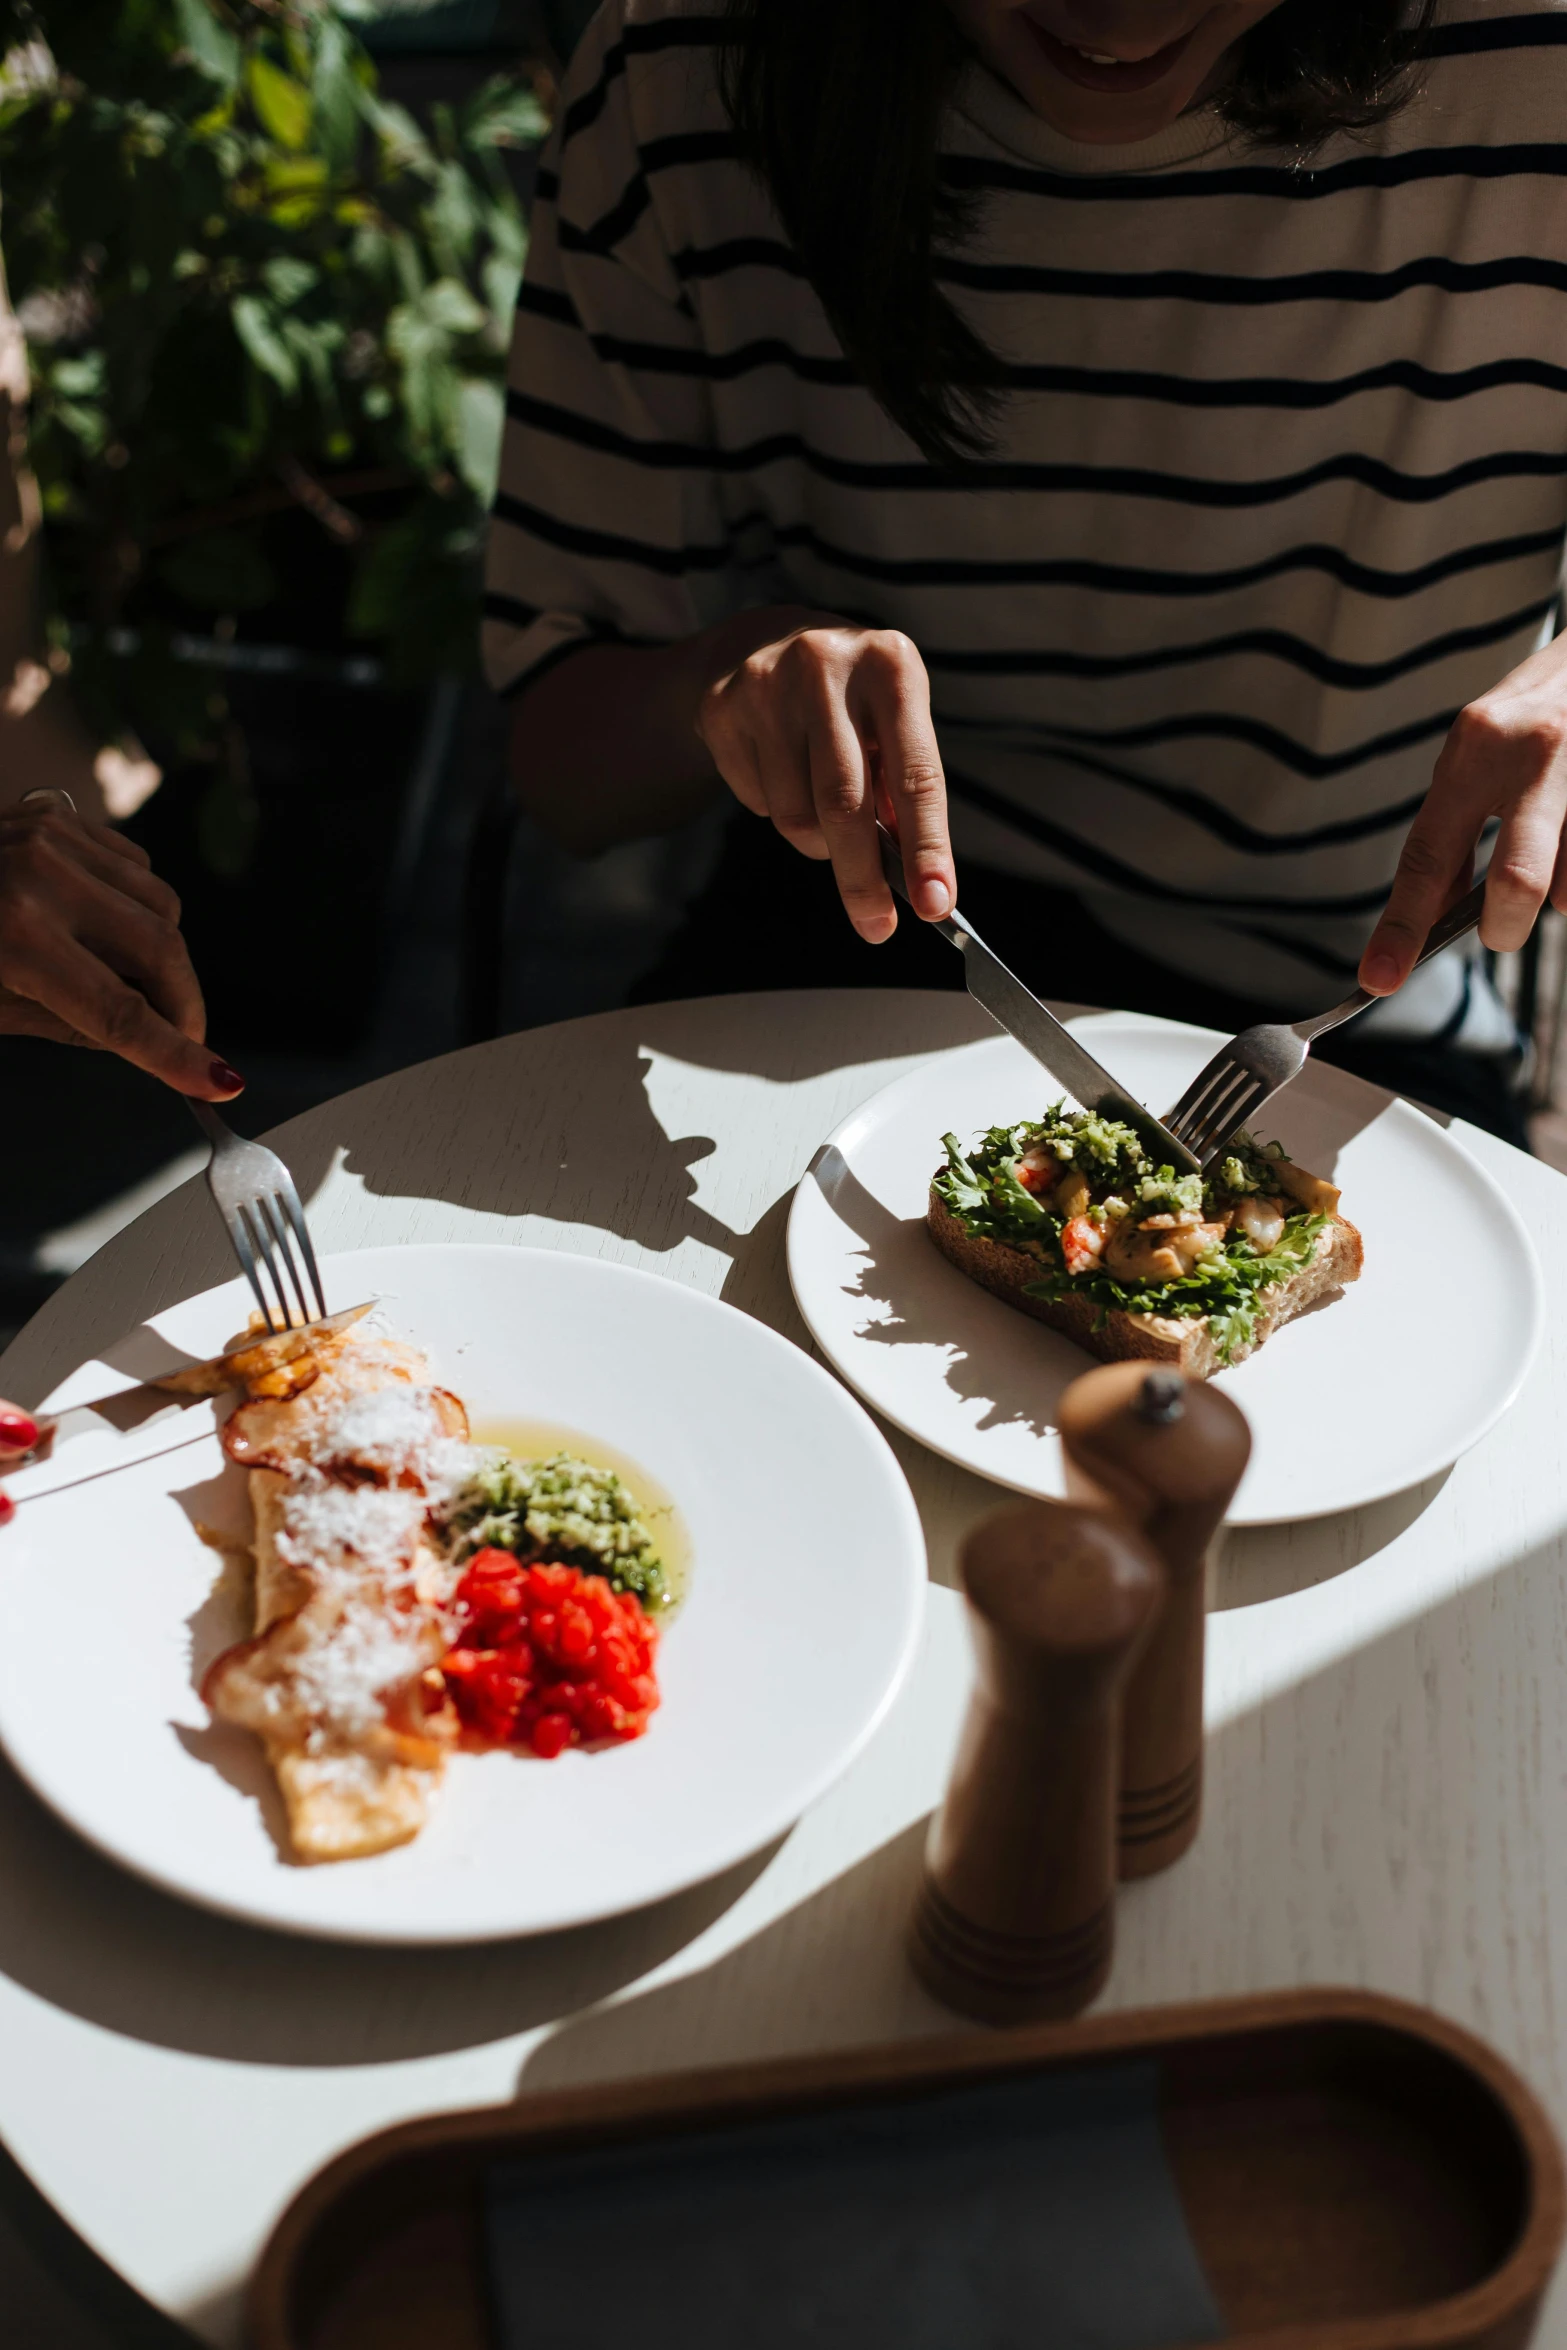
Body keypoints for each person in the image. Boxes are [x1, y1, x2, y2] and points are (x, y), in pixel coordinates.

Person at [485, 0, 1567, 1143]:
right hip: (853, 944)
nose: (1115, 13)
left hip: (1351, 992)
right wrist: (720, 682)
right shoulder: (683, 56)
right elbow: (562, 768)